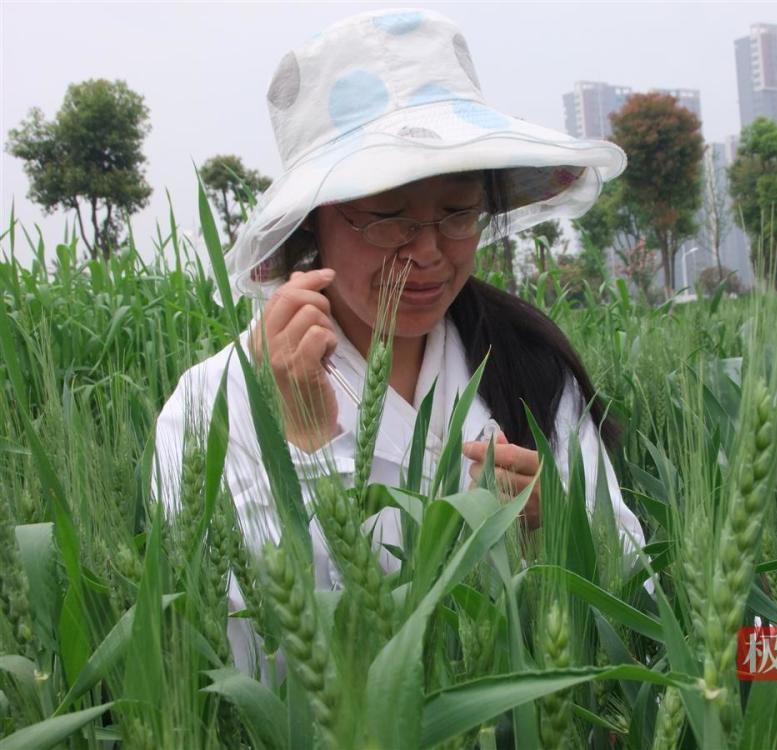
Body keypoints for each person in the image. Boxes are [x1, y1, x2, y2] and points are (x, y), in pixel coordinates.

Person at [152, 8, 646, 667]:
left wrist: (548, 532)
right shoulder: (216, 405)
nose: (429, 253)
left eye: (457, 214)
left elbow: (634, 590)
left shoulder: (525, 367)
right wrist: (304, 450)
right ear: (311, 225)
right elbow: (241, 656)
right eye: (388, 220)